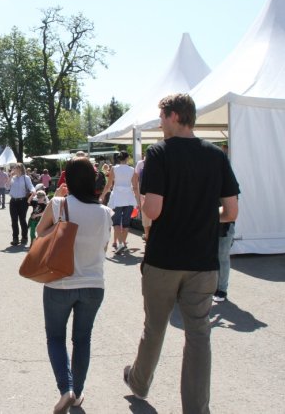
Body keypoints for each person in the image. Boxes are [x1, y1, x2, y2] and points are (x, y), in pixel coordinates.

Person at [123, 93, 240, 414]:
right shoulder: (216, 156)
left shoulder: (159, 153)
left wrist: (143, 197)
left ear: (175, 116)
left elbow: (154, 210)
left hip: (164, 259)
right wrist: (203, 213)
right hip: (203, 262)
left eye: (162, 117)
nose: (160, 124)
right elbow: (231, 211)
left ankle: (139, 382)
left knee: (154, 328)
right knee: (199, 335)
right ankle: (196, 409)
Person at [35, 157, 112, 413]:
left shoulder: (59, 204)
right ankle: (77, 394)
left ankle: (65, 388)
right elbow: (103, 247)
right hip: (93, 284)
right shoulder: (104, 212)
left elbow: (40, 232)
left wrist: (59, 221)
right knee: (83, 340)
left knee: (55, 338)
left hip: (59, 282)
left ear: (67, 178)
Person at [108, 151, 138, 255]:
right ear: (128, 158)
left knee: (116, 222)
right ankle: (123, 244)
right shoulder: (132, 170)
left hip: (117, 197)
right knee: (126, 223)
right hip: (129, 197)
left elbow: (108, 184)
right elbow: (135, 187)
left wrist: (102, 196)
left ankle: (120, 243)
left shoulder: (114, 168)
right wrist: (138, 200)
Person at [8, 163, 35, 245]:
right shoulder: (13, 178)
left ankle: (24, 237)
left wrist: (33, 190)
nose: (13, 169)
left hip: (23, 201)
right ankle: (15, 238)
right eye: (14, 168)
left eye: (15, 168)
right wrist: (10, 177)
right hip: (13, 201)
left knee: (22, 219)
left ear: (20, 169)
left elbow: (30, 186)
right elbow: (6, 187)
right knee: (14, 220)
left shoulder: (25, 178)